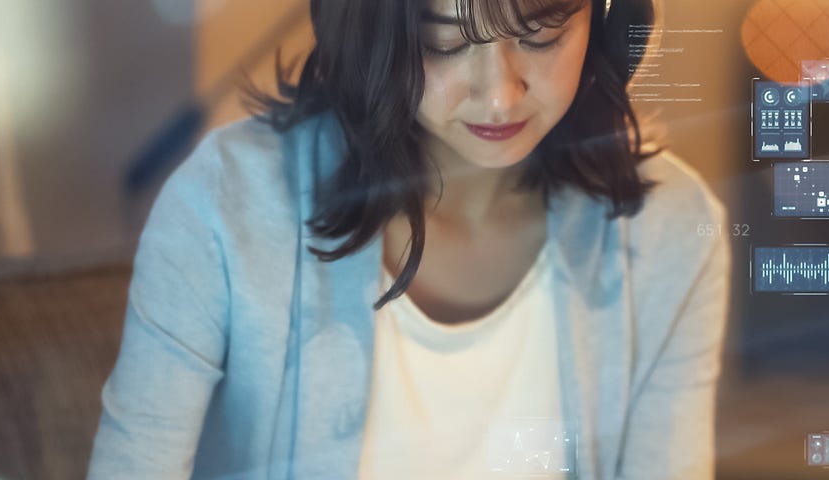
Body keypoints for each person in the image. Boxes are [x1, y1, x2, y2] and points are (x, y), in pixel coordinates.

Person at [87, 0, 728, 478]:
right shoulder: (226, 204)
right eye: (444, 42)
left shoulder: (670, 229)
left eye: (540, 32)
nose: (500, 94)